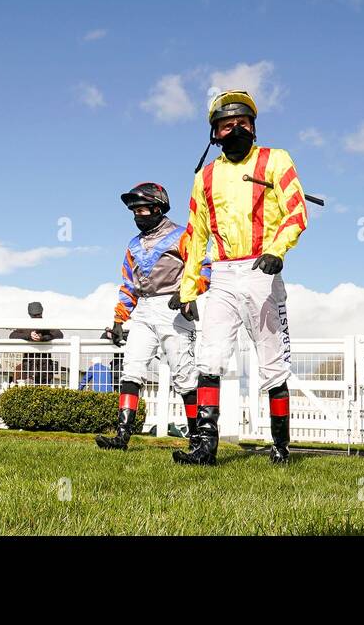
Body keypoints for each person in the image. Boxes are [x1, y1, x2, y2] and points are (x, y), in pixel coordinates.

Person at [174, 91, 308, 466]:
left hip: (262, 271)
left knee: (271, 361)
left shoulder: (276, 160)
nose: (236, 129)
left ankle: (281, 447)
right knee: (210, 356)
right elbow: (195, 235)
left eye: (242, 123)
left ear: (254, 126)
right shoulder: (205, 176)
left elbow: (296, 212)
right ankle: (204, 447)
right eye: (227, 124)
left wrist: (277, 250)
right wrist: (189, 289)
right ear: (214, 133)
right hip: (222, 274)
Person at [95, 183, 208, 451]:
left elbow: (205, 268)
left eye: (142, 209)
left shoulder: (183, 235)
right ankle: (121, 437)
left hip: (173, 308)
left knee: (185, 375)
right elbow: (128, 284)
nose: (137, 215)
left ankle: (196, 439)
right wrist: (119, 319)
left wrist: (187, 292)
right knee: (131, 370)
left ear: (158, 208)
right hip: (144, 310)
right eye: (133, 211)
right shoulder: (133, 245)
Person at [10, 302, 63, 384]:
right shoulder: (25, 326)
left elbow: (59, 334)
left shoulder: (47, 325)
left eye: (37, 315)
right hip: (30, 367)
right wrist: (29, 336)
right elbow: (12, 336)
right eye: (35, 315)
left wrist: (43, 338)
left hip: (43, 367)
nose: (36, 317)